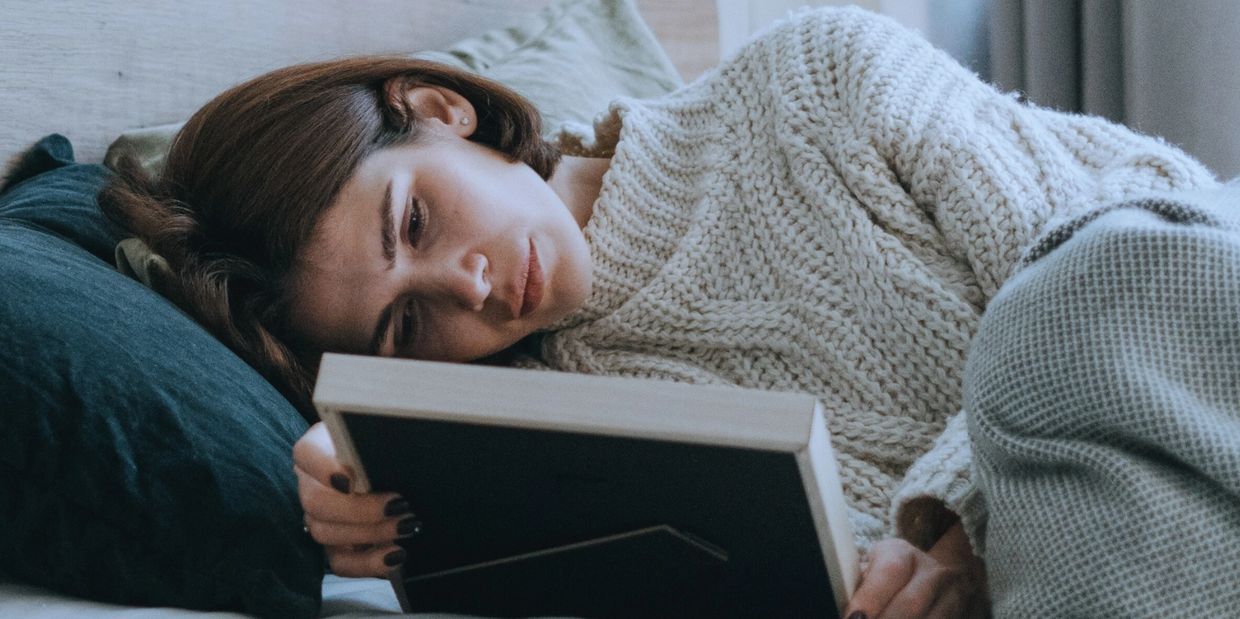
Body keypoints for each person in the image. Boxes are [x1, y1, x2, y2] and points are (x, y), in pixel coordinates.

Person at [99, 6, 1222, 618]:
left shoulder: (809, 78)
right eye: (405, 326)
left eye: (417, 225)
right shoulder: (555, 439)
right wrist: (372, 451)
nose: (468, 291)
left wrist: (960, 520)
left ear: (443, 112)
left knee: (1070, 297)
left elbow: (1120, 252)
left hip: (1198, 326)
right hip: (1126, 551)